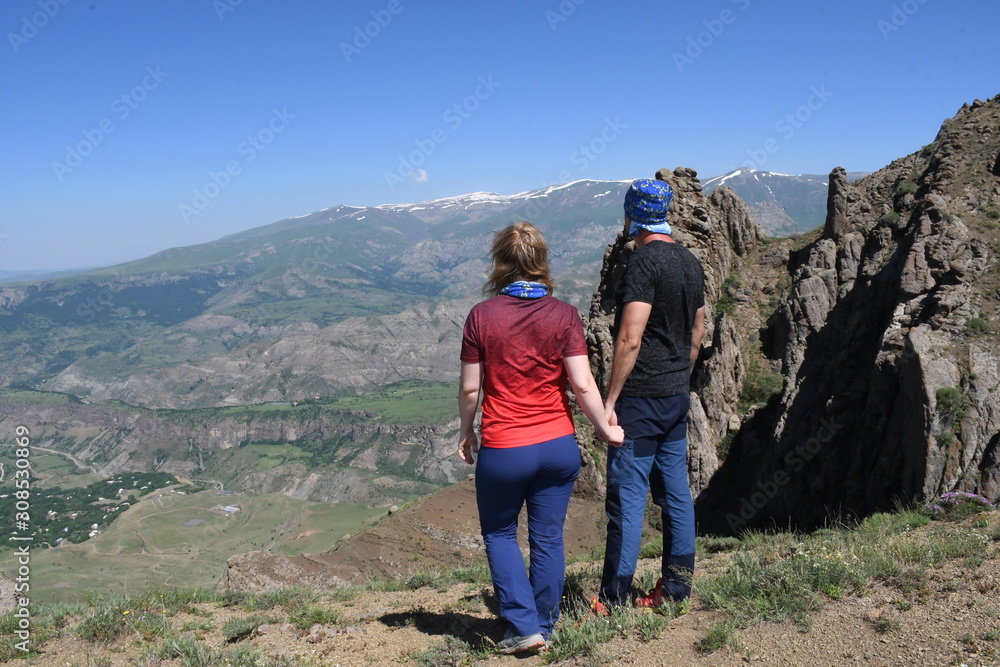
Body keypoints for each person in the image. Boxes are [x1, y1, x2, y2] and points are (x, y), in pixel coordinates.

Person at [458, 220, 625, 654]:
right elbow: (583, 385)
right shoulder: (564, 314)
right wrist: (605, 428)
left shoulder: (482, 316)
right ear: (540, 261)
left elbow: (471, 388)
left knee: (499, 533)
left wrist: (465, 431)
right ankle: (545, 626)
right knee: (547, 537)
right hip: (558, 447)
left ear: (501, 263)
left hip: (506, 447)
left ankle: (523, 626)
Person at [595, 178, 706, 613]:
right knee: (676, 495)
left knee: (626, 499)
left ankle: (614, 599)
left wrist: (609, 402)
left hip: (640, 401)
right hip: (677, 396)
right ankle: (675, 591)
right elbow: (697, 332)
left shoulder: (644, 262)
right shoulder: (689, 261)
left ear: (632, 214)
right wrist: (680, 374)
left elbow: (629, 338)